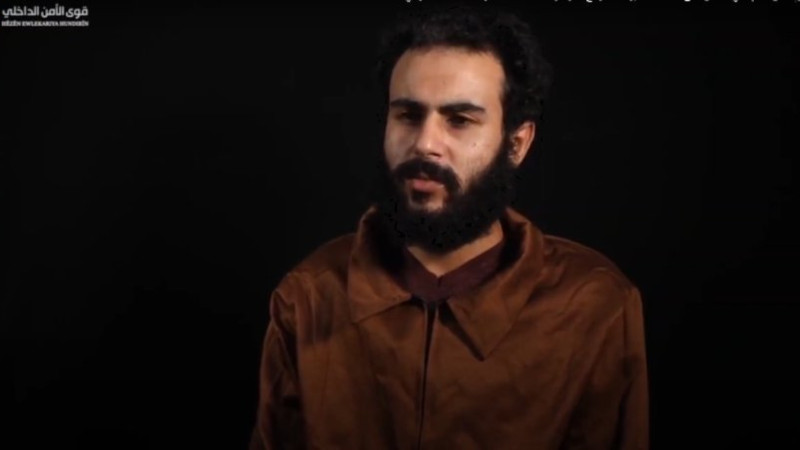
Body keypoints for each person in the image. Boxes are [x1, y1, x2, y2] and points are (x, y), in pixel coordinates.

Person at [249, 5, 648, 450]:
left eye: (459, 120)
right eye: (408, 115)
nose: (425, 144)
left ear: (516, 144)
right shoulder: (308, 297)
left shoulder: (594, 304)